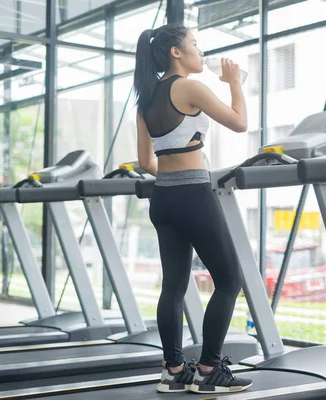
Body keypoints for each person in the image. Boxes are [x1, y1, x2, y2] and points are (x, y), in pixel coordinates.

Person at [133, 24, 252, 394]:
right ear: (175, 52)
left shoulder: (146, 98)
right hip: (192, 194)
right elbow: (239, 123)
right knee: (230, 279)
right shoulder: (189, 87)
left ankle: (174, 371)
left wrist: (172, 169)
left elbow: (145, 161)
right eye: (195, 44)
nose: (201, 51)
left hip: (163, 198)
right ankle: (208, 370)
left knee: (174, 286)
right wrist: (234, 81)